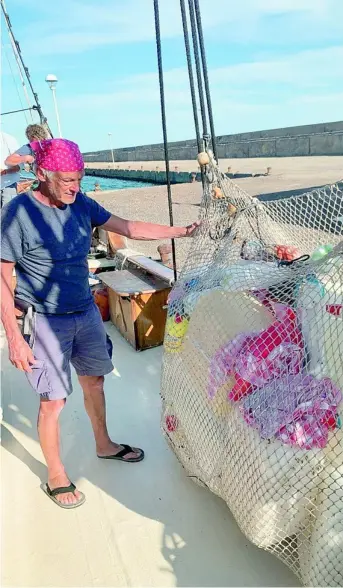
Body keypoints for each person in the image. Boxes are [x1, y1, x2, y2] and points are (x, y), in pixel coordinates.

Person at [1, 138, 200, 509]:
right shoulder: (17, 214)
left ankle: (104, 444)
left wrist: (181, 232)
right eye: (66, 180)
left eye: (79, 178)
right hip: (45, 319)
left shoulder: (81, 203)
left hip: (86, 312)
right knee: (54, 401)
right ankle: (56, 474)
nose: (75, 187)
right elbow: (2, 273)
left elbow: (130, 227)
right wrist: (14, 337)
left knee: (95, 381)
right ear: (42, 174)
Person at [1, 131, 20, 207]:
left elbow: (19, 166)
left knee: (7, 215)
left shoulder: (9, 140)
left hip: (8, 186)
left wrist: (4, 171)